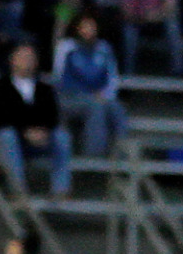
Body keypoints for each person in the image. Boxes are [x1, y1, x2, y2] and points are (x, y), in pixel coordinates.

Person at [0, 42, 70, 198]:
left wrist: (43, 131)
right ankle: (18, 190)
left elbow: (52, 115)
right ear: (12, 60)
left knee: (62, 136)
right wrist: (25, 131)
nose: (26, 61)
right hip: (8, 142)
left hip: (38, 141)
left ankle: (60, 190)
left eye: (30, 58)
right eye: (22, 57)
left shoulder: (45, 89)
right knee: (7, 135)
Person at [51, 10, 127, 158]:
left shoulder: (105, 48)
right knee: (95, 106)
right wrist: (89, 95)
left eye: (91, 27)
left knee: (117, 109)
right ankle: (93, 158)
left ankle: (121, 156)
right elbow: (59, 77)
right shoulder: (66, 47)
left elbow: (112, 78)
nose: (88, 31)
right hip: (70, 97)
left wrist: (105, 95)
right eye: (84, 27)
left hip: (99, 96)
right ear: (77, 29)